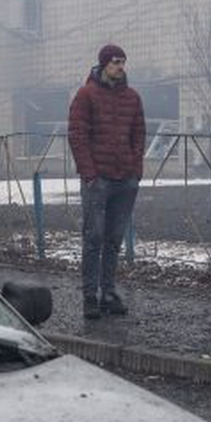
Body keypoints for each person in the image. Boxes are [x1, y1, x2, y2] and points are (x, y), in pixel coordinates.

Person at [67, 43, 145, 320]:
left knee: (113, 240)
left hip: (125, 181)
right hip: (98, 180)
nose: (120, 67)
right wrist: (90, 174)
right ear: (103, 64)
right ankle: (90, 297)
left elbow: (139, 134)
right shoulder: (86, 95)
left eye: (123, 62)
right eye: (115, 62)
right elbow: (77, 135)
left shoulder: (132, 98)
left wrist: (136, 170)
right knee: (93, 238)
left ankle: (108, 294)